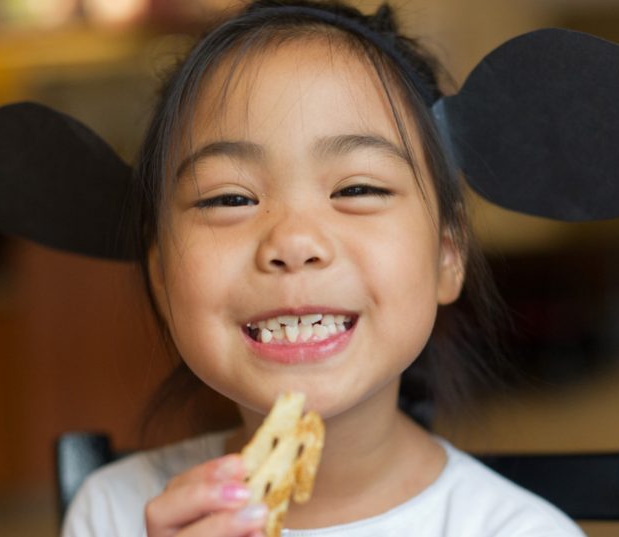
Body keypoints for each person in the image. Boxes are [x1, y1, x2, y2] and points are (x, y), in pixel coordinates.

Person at [62, 1, 584, 536]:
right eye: (229, 198)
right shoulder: (113, 513)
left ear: (447, 255)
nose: (293, 241)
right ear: (161, 277)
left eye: (358, 189)